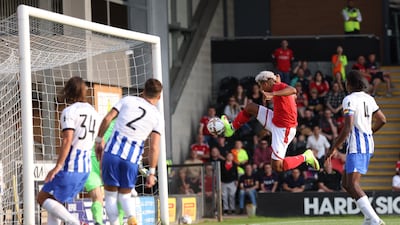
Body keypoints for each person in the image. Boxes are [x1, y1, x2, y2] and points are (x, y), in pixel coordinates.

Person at [221, 71, 320, 173]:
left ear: (266, 83)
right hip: (276, 119)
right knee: (250, 107)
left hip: (284, 129)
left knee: (278, 167)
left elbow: (293, 90)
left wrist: (273, 94)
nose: (261, 89)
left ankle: (306, 156)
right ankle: (231, 128)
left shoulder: (277, 88)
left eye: (261, 85)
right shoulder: (276, 86)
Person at [95, 78, 163, 225]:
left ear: (143, 91)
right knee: (125, 197)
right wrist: (151, 172)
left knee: (110, 196)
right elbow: (154, 147)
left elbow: (107, 118)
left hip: (112, 154)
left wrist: (99, 140)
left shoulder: (128, 100)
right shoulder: (157, 117)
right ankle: (132, 218)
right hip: (131, 160)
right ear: (159, 97)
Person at [326, 70, 387, 225]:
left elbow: (347, 127)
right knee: (346, 184)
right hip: (365, 143)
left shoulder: (349, 99)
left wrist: (333, 147)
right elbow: (382, 119)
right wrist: (369, 131)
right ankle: (368, 218)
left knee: (353, 184)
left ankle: (375, 220)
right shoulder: (369, 98)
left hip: (357, 145)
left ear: (349, 84)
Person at [37, 77, 100, 225]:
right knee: (55, 202)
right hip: (85, 168)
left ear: (69, 91)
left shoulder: (69, 111)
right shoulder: (94, 112)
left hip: (71, 166)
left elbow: (67, 139)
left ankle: (75, 223)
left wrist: (58, 166)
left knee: (42, 198)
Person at [84, 121, 124, 225]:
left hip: (88, 161)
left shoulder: (105, 122)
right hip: (106, 161)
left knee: (97, 197)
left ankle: (98, 221)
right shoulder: (123, 124)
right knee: (118, 197)